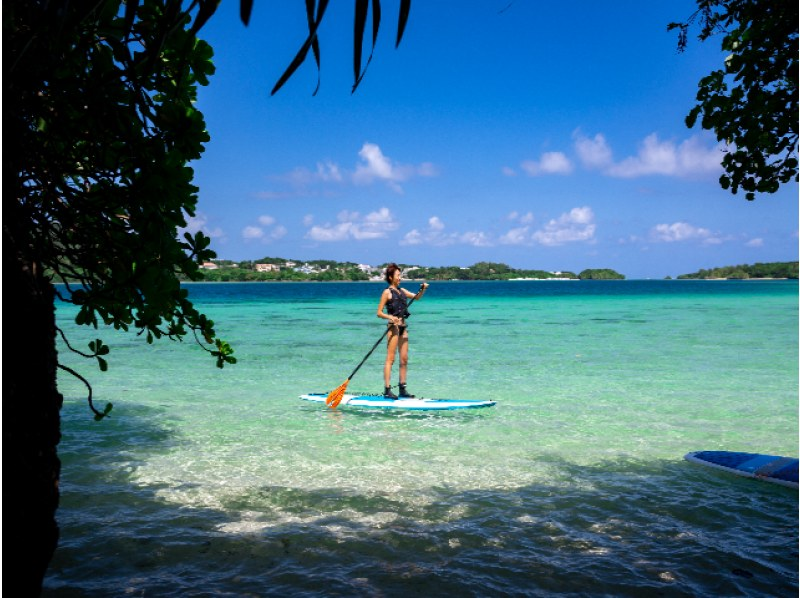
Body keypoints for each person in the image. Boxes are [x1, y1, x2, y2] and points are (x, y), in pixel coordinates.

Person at [376, 263, 429, 399]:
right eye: (398, 275)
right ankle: (387, 390)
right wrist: (390, 317)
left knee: (404, 359)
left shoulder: (402, 291)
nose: (400, 278)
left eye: (400, 275)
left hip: (403, 327)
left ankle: (402, 389)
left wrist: (422, 289)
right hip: (393, 328)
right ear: (390, 277)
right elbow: (379, 313)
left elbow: (417, 297)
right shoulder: (387, 292)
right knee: (391, 359)